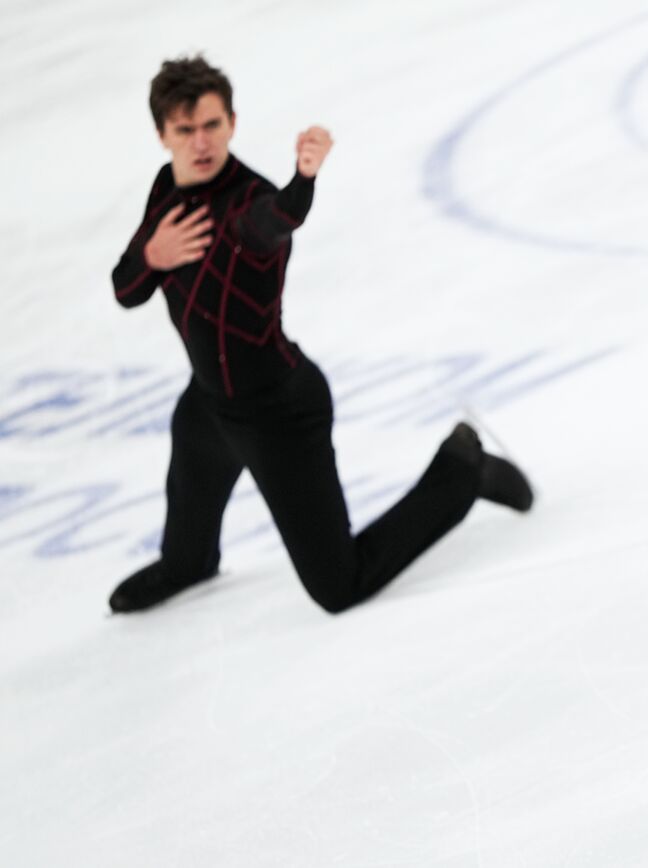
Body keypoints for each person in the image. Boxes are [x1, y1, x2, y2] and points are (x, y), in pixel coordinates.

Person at [108, 55, 533, 616]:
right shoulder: (166, 191)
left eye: (211, 125)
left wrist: (302, 180)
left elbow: (275, 218)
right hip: (209, 405)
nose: (201, 142)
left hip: (277, 411)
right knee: (193, 470)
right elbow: (127, 289)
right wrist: (150, 254)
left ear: (232, 123)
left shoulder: (245, 200)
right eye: (185, 130)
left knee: (340, 586)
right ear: (162, 134)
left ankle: (464, 472)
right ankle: (190, 561)